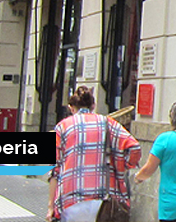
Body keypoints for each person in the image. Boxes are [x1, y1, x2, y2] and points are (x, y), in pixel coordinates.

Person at [49, 86, 141, 222]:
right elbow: (134, 147)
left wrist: (51, 207)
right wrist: (122, 166)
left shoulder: (62, 127)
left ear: (71, 107)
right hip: (102, 199)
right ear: (93, 105)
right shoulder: (107, 123)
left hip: (70, 198)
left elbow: (55, 170)